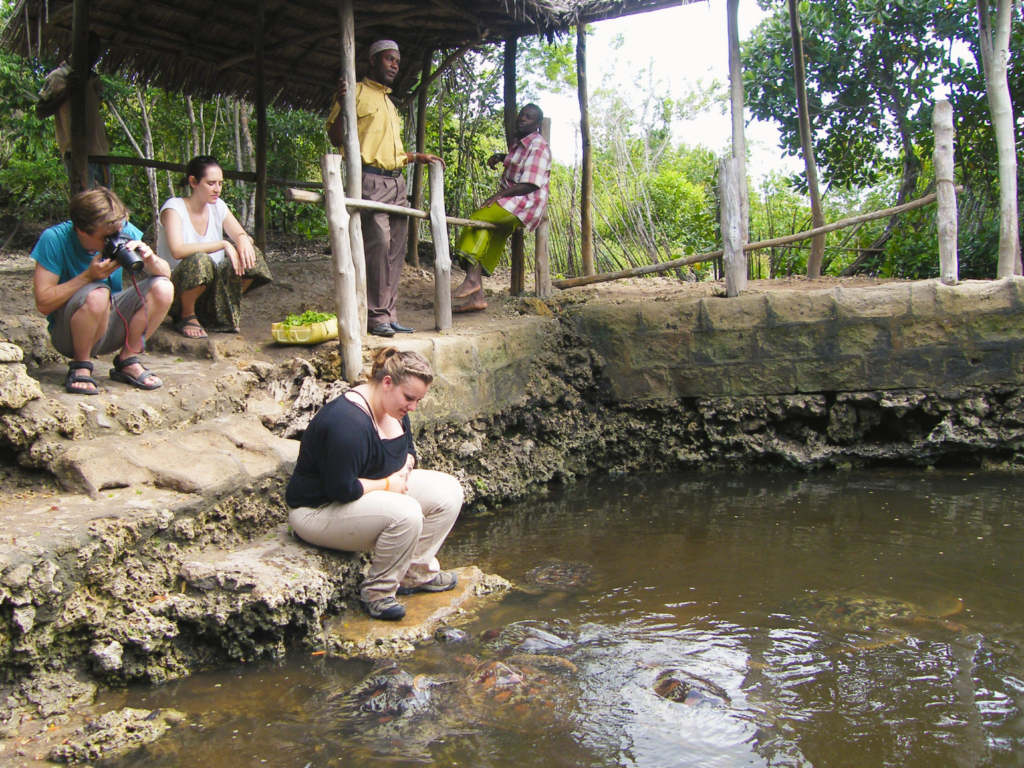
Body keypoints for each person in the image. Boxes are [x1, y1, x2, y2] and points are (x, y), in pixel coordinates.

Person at [286, 348, 463, 621]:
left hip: (365, 495)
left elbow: (409, 452)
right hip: (318, 510)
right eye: (409, 398)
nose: (413, 407)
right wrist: (388, 484)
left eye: (417, 400)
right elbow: (341, 490)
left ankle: (414, 573)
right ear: (388, 382)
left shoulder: (396, 408)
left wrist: (405, 469)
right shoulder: (348, 423)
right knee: (407, 512)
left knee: (449, 490)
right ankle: (378, 593)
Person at [326, 39, 445, 338]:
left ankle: (389, 315)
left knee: (396, 248)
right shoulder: (354, 93)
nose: (395, 65)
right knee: (377, 242)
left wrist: (417, 157)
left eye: (397, 61)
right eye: (389, 59)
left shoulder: (390, 104)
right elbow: (335, 136)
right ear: (373, 61)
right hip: (370, 179)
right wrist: (342, 104)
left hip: (396, 181)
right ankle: (374, 315)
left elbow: (390, 151)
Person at [31, 187, 172, 394]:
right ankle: (81, 364)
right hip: (69, 333)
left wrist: (150, 258)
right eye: (107, 236)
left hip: (112, 323)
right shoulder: (54, 238)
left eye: (118, 232)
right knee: (98, 293)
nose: (115, 239)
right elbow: (43, 304)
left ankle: (128, 359)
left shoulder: (123, 231)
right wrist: (87, 277)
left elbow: (165, 274)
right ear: (81, 230)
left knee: (163, 287)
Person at [157, 156, 273, 337]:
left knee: (253, 255)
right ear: (193, 182)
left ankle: (220, 312)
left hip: (212, 289)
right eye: (211, 183)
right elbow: (177, 250)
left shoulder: (218, 206)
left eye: (220, 183)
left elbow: (242, 236)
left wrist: (242, 239)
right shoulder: (174, 208)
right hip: (176, 289)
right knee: (200, 260)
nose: (217, 189)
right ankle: (186, 315)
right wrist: (223, 243)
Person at [452, 104, 552, 313]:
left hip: (524, 203)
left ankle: (472, 279)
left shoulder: (538, 146)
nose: (522, 118)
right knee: (486, 232)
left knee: (477, 221)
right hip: (515, 201)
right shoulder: (521, 144)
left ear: (538, 124)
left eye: (529, 117)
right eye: (521, 115)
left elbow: (531, 183)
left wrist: (499, 195)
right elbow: (517, 163)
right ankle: (477, 298)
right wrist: (499, 157)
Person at [36, 32, 111, 190]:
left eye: (97, 53)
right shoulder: (57, 77)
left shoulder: (93, 79)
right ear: (77, 50)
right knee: (87, 204)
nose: (94, 57)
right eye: (90, 51)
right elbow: (40, 112)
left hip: (101, 154)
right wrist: (66, 93)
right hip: (78, 154)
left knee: (105, 207)